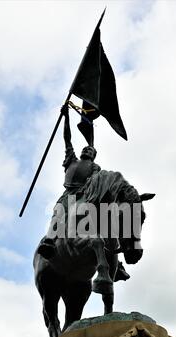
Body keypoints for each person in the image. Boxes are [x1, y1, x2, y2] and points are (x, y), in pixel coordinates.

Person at [38, 104, 129, 281]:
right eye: (86, 149)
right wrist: (66, 118)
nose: (88, 149)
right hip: (69, 195)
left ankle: (115, 263)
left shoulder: (95, 167)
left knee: (106, 218)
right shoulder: (71, 159)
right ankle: (49, 241)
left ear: (94, 155)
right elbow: (67, 139)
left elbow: (96, 181)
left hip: (86, 195)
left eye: (91, 150)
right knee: (59, 212)